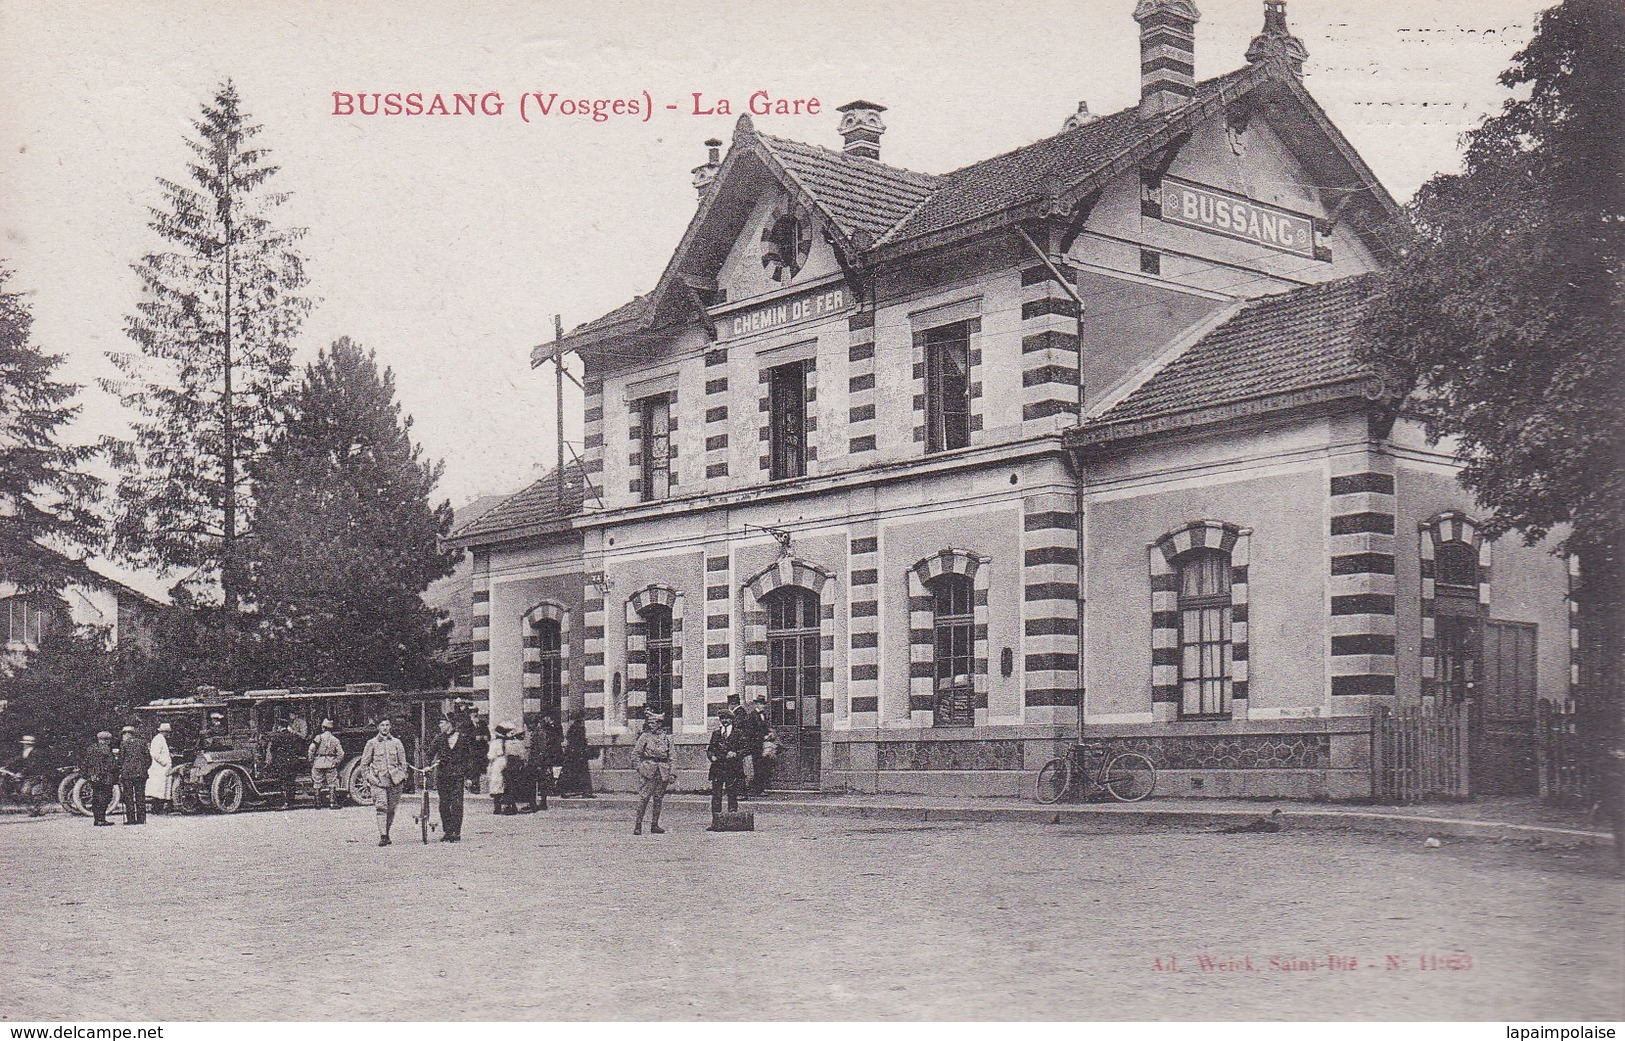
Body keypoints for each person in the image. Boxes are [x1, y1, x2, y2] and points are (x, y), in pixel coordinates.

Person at [357, 718, 409, 846]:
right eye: (382, 725)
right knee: (381, 807)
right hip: (378, 781)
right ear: (378, 727)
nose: (385, 728)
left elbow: (403, 763)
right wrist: (369, 779)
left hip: (394, 781)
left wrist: (401, 776)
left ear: (390, 727)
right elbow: (364, 764)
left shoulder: (397, 743)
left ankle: (387, 833)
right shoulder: (372, 743)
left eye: (387, 725)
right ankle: (383, 836)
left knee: (391, 809)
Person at [426, 716, 472, 842]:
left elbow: (468, 759)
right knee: (444, 804)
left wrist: (468, 776)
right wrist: (427, 766)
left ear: (449, 723)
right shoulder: (439, 738)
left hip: (458, 776)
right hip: (443, 776)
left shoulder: (463, 739)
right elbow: (430, 753)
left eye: (442, 723)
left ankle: (456, 832)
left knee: (457, 804)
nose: (440, 726)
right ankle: (447, 831)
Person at [632, 710, 673, 835]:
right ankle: (638, 825)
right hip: (648, 771)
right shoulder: (644, 737)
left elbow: (672, 756)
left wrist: (672, 773)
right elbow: (635, 754)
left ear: (659, 724)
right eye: (649, 723)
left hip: (662, 771)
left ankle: (655, 824)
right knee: (644, 798)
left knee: (658, 798)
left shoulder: (667, 738)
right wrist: (640, 768)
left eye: (654, 723)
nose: (651, 725)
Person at [707, 709, 746, 822]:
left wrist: (735, 753)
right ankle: (716, 821)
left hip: (732, 768)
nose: (725, 721)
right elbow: (710, 750)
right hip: (718, 768)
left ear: (732, 720)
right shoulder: (716, 733)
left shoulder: (738, 733)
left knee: (732, 794)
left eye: (727, 718)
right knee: (716, 795)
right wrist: (711, 756)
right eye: (722, 718)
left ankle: (731, 819)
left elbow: (746, 749)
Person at [1, 735, 48, 816]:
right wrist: (6, 767)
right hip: (28, 774)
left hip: (35, 775)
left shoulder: (36, 753)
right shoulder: (26, 752)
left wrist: (21, 773)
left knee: (25, 791)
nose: (24, 745)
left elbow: (32, 766)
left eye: (26, 743)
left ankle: (37, 808)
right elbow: (16, 761)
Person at [266, 720, 306, 810]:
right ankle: (291, 801)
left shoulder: (277, 737)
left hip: (282, 762)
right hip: (292, 761)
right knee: (291, 781)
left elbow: (272, 749)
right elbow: (298, 748)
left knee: (283, 782)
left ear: (279, 727)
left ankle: (285, 802)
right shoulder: (293, 736)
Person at [487, 724, 523, 815]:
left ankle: (497, 807)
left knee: (497, 784)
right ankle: (510, 805)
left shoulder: (495, 743)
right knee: (507, 784)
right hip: (507, 762)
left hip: (497, 762)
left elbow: (490, 756)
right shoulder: (510, 742)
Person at [84, 731, 118, 827]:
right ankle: (101, 819)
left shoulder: (91, 749)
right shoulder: (105, 749)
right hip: (104, 778)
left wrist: (90, 775)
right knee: (104, 798)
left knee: (96, 797)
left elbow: (86, 763)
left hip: (94, 777)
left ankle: (97, 819)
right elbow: (110, 764)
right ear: (106, 740)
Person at [117, 726, 150, 825]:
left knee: (128, 797)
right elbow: (148, 759)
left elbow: (120, 760)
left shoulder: (124, 744)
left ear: (127, 734)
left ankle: (131, 819)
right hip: (140, 774)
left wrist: (121, 769)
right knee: (140, 796)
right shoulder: (142, 743)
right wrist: (144, 768)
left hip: (127, 775)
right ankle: (141, 819)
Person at [308, 719, 344, 809]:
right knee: (332, 783)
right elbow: (341, 753)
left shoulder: (318, 738)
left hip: (318, 762)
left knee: (317, 782)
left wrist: (311, 760)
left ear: (323, 728)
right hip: (330, 762)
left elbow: (311, 749)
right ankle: (332, 803)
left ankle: (317, 803)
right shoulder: (335, 739)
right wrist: (336, 761)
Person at [559, 710, 594, 798]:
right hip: (578, 755)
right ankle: (585, 792)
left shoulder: (572, 728)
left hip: (573, 754)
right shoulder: (579, 728)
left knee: (570, 772)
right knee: (582, 773)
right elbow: (581, 742)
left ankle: (567, 791)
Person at [145, 722, 175, 815]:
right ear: (164, 732)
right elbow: (155, 754)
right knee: (159, 790)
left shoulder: (161, 739)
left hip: (163, 768)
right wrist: (164, 762)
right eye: (168, 733)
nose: (169, 735)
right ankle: (157, 809)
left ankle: (159, 808)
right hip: (160, 768)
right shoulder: (158, 739)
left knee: (162, 789)